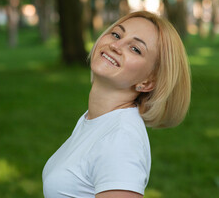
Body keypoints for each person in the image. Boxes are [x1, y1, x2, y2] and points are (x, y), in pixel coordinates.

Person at [42, 11, 191, 198]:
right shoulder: (96, 120)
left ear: (147, 82)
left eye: (135, 49)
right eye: (116, 34)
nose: (116, 45)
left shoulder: (121, 140)